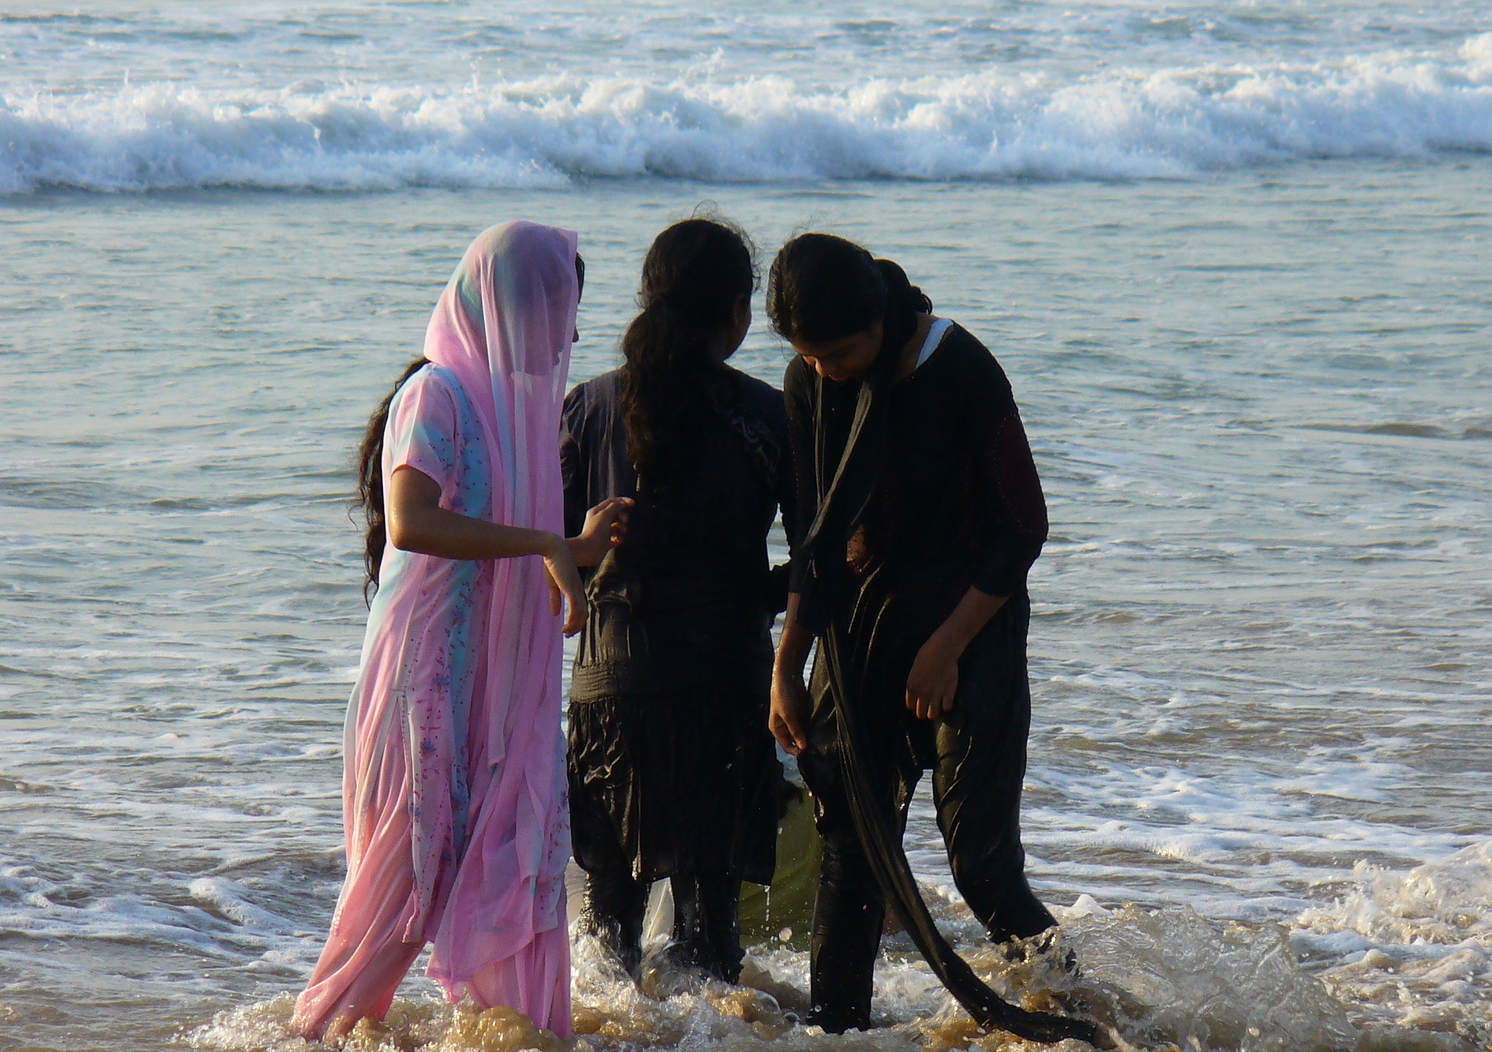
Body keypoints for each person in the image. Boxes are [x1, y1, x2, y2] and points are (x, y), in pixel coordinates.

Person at [295, 222, 628, 1042]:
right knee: (411, 879)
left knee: (511, 863)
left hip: (485, 689)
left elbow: (506, 543)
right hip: (423, 681)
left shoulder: (518, 418)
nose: (573, 332)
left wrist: (575, 548)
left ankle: (508, 1033)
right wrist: (546, 545)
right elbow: (411, 522)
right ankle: (314, 1032)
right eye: (561, 308)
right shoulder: (436, 394)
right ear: (511, 306)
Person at [766, 233, 1093, 1044]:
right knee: (852, 848)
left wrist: (946, 647)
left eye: (838, 354)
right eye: (809, 358)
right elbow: (811, 536)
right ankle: (836, 1031)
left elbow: (1023, 530)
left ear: (880, 320)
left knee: (982, 869)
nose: (824, 371)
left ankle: (1084, 1016)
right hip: (861, 629)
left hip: (971, 625)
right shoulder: (811, 382)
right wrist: (788, 662)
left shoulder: (959, 367)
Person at [560, 217, 792, 983]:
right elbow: (822, 558)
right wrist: (767, 597)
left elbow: (549, 554)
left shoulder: (587, 409)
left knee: (606, 934)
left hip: (609, 689)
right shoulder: (764, 414)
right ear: (735, 309)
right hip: (726, 687)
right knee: (709, 944)